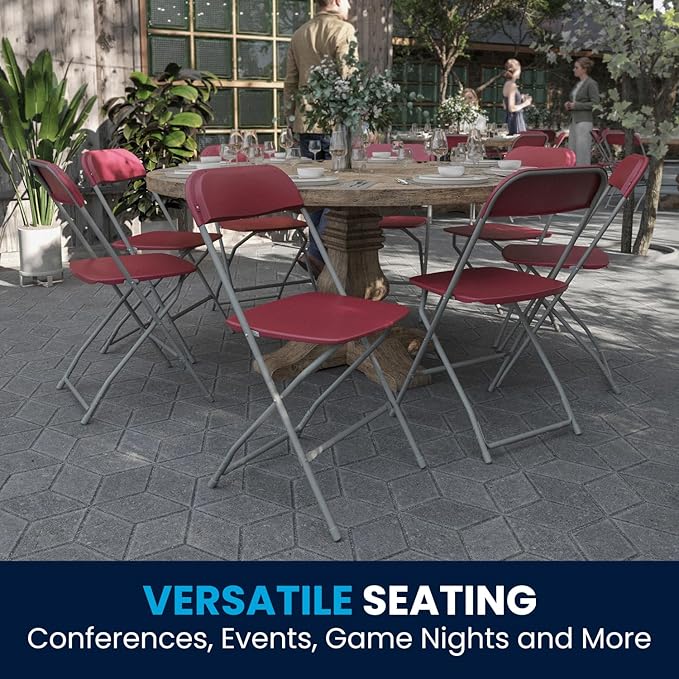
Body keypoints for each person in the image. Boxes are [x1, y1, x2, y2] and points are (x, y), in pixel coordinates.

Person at [284, 0, 356, 276]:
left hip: (306, 122)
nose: (350, 5)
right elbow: (348, 75)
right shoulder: (343, 30)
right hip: (334, 121)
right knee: (339, 191)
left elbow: (290, 81)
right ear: (336, 1)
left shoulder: (299, 33)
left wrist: (289, 118)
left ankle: (317, 254)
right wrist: (358, 117)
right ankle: (319, 255)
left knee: (315, 191)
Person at [565, 56, 599, 165]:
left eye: (576, 67)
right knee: (572, 150)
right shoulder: (578, 84)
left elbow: (595, 104)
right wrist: (569, 105)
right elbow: (576, 102)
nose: (574, 70)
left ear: (584, 69)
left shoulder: (591, 83)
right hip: (574, 120)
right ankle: (573, 173)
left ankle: (583, 172)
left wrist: (576, 105)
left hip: (584, 121)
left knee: (582, 151)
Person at [502, 58, 532, 135]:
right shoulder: (512, 85)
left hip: (510, 118)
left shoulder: (507, 84)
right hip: (515, 120)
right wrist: (526, 103)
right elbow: (511, 108)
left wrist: (520, 98)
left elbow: (505, 104)